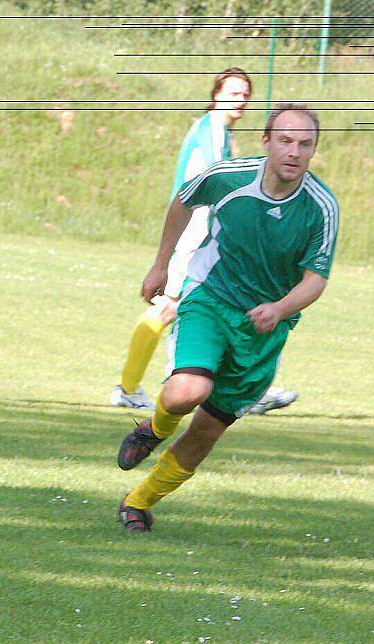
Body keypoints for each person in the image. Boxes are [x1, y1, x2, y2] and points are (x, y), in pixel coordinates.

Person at [116, 104, 339, 532]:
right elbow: (184, 199)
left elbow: (316, 279)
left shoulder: (321, 206)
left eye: (305, 144)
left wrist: (279, 308)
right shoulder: (231, 176)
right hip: (211, 300)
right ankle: (155, 429)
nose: (294, 151)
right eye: (286, 141)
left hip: (263, 330)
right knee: (187, 391)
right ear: (267, 142)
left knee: (206, 432)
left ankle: (138, 502)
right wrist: (160, 264)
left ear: (313, 150)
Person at [109, 68, 298, 415]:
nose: (239, 100)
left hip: (203, 233)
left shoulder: (218, 130)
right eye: (233, 93)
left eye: (245, 95)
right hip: (196, 234)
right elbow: (217, 173)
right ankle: (138, 386)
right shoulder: (211, 127)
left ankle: (245, 388)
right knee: (172, 306)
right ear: (216, 95)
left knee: (213, 304)